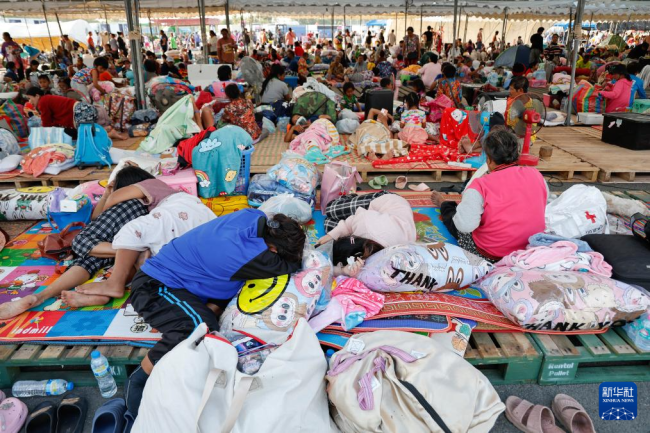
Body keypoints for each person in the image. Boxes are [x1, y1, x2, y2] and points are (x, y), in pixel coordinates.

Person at [124, 210, 306, 416]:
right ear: (272, 250)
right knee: (198, 328)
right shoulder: (245, 255)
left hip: (189, 282)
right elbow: (292, 266)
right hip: (156, 286)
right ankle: (140, 379)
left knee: (213, 317)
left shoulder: (253, 215)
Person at [0, 166, 156, 321]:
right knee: (100, 259)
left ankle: (39, 296)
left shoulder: (129, 203)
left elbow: (94, 222)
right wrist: (106, 194)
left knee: (83, 246)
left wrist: (110, 195)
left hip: (120, 240)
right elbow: (96, 217)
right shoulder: (146, 204)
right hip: (123, 242)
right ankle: (104, 288)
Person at [432, 128, 547, 262]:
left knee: (455, 219)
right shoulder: (536, 175)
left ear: (490, 159)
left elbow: (464, 226)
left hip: (492, 254)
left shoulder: (480, 185)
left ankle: (444, 204)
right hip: (528, 248)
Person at [317, 192, 416, 277]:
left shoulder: (386, 258)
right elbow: (352, 221)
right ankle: (353, 199)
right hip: (385, 207)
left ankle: (351, 201)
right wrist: (332, 235)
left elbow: (352, 221)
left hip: (383, 208)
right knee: (330, 216)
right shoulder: (365, 225)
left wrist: (345, 271)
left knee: (329, 217)